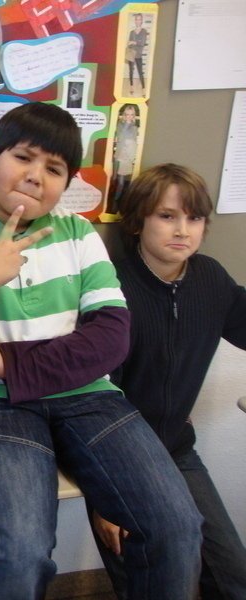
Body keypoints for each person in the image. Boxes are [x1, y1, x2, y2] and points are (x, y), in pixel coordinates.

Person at [0, 102, 203, 599]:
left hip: (87, 397)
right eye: (23, 158)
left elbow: (111, 337)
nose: (35, 176)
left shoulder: (79, 232)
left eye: (54, 169)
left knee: (176, 527)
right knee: (19, 553)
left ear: (66, 183)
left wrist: (10, 363)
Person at [89, 164, 246, 599]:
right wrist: (104, 497)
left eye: (194, 218)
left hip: (176, 450)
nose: (182, 230)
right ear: (138, 221)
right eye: (167, 216)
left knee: (233, 576)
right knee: (150, 581)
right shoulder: (111, 288)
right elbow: (92, 402)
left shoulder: (211, 278)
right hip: (120, 463)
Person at [107, 104, 139, 214]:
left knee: (126, 182)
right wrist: (126, 125)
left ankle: (120, 203)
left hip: (128, 157)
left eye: (131, 115)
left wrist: (132, 155)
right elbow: (120, 137)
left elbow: (133, 142)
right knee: (117, 180)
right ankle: (113, 201)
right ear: (124, 115)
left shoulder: (135, 128)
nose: (129, 116)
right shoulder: (120, 125)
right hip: (119, 156)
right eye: (127, 114)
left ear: (133, 116)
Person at [126, 13, 147, 96]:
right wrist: (132, 43)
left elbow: (142, 43)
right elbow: (129, 44)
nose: (138, 21)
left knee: (140, 72)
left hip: (138, 54)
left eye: (139, 19)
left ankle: (143, 89)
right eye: (136, 19)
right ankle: (131, 87)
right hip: (131, 53)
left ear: (141, 21)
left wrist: (133, 42)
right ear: (135, 21)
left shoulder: (144, 31)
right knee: (131, 71)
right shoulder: (131, 32)